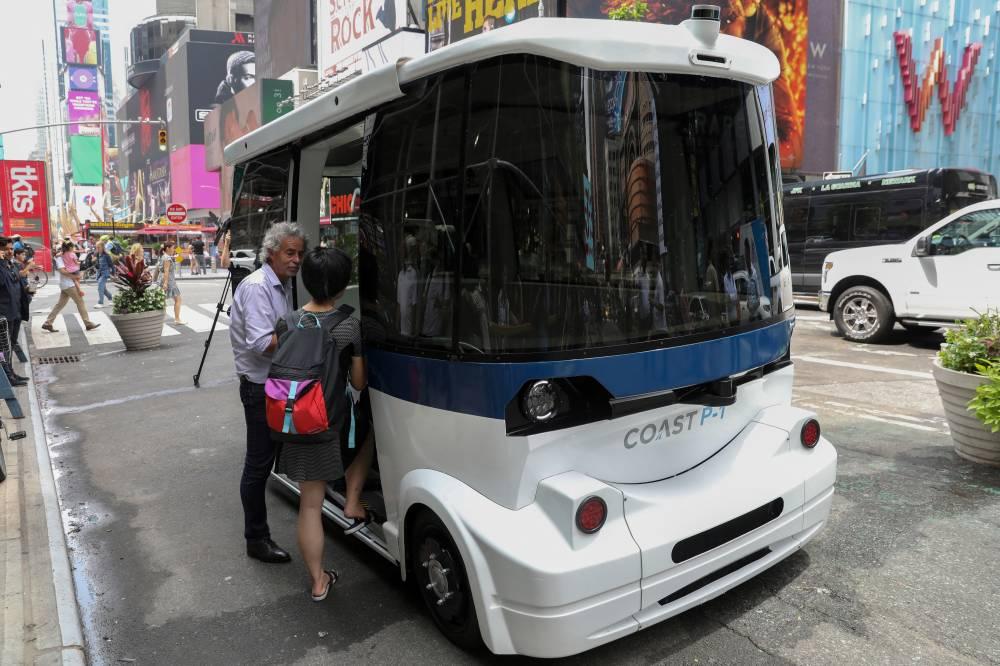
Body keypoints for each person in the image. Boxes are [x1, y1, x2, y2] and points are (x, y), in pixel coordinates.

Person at [273, 246, 374, 600]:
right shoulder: (348, 324)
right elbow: (360, 384)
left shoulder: (287, 321)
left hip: (292, 420)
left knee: (308, 503)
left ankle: (320, 575)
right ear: (344, 286)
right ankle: (318, 580)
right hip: (325, 426)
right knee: (312, 506)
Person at [229, 222, 305, 564]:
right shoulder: (258, 287)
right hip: (261, 388)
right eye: (290, 253)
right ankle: (255, 539)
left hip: (276, 384)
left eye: (299, 254)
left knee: (271, 460)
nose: (296, 260)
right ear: (271, 252)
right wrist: (305, 339)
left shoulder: (280, 285)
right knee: (258, 466)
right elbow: (262, 343)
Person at [42, 241, 99, 333]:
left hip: (66, 284)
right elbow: (62, 271)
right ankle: (88, 323)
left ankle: (48, 323)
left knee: (60, 304)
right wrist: (74, 276)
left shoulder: (64, 255)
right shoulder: (60, 257)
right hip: (68, 284)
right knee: (80, 302)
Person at [0, 237, 28, 386]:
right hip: (4, 313)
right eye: (7, 249)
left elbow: (16, 278)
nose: (10, 251)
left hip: (15, 309)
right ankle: (6, 377)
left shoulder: (10, 264)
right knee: (3, 349)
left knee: (10, 344)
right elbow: (3, 280)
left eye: (11, 249)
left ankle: (11, 373)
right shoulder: (2, 265)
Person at [158, 240, 186, 325]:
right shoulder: (167, 258)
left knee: (162, 300)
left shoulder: (165, 256)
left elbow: (181, 258)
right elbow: (166, 271)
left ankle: (160, 319)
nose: (174, 250)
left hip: (166, 280)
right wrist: (166, 283)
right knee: (178, 300)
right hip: (169, 281)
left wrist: (177, 248)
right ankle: (177, 319)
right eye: (173, 248)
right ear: (167, 248)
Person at [94, 240, 115, 308]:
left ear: (103, 247)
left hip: (104, 273)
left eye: (98, 247)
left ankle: (100, 303)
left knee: (100, 286)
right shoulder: (97, 255)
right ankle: (111, 298)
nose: (97, 249)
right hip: (99, 274)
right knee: (103, 289)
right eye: (96, 247)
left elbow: (111, 265)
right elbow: (97, 264)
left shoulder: (106, 255)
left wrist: (113, 274)